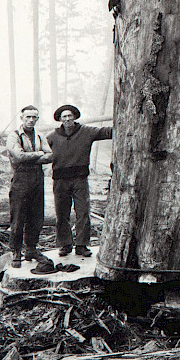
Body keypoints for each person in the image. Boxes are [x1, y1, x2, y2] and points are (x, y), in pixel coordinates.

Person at [46, 104, 113, 257]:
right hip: (60, 180)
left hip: (80, 179)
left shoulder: (86, 132)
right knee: (61, 213)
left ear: (75, 117)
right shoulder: (52, 137)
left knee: (83, 212)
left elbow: (107, 132)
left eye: (70, 116)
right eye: (64, 117)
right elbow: (40, 151)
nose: (67, 119)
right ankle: (65, 244)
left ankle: (82, 245)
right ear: (60, 119)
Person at [6, 105, 57, 274]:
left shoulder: (40, 135)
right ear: (21, 118)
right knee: (18, 216)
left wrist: (33, 157)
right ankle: (16, 252)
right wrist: (38, 154)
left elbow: (50, 155)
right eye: (28, 117)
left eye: (34, 117)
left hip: (37, 178)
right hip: (20, 179)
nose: (31, 120)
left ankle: (31, 249)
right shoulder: (14, 136)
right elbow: (18, 156)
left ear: (37, 119)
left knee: (36, 216)